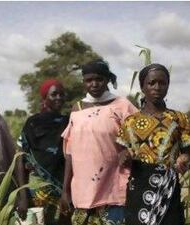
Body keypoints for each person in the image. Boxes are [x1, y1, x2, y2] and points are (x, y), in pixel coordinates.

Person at [60, 59, 138, 225]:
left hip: (115, 191)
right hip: (83, 193)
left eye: (99, 79)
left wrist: (128, 151)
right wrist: (65, 191)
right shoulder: (77, 109)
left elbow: (142, 138)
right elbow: (70, 153)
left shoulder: (122, 105)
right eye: (89, 80)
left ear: (108, 80)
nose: (94, 84)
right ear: (83, 82)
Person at [116, 63, 190, 225]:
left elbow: (189, 155)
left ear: (168, 85)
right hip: (138, 188)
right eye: (151, 83)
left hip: (168, 189)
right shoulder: (130, 122)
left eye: (162, 83)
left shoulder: (180, 119)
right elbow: (121, 155)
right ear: (142, 87)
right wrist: (124, 156)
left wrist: (185, 160)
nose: (157, 87)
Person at [17, 79, 70, 225]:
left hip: (63, 191)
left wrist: (67, 192)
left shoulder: (69, 122)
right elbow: (20, 160)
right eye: (54, 94)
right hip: (36, 191)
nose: (59, 97)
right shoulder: (32, 123)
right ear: (45, 98)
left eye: (61, 94)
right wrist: (23, 196)